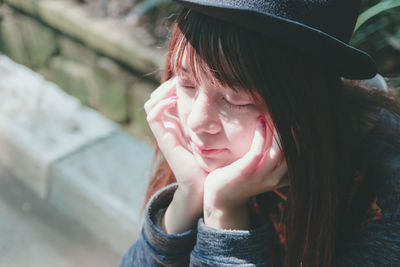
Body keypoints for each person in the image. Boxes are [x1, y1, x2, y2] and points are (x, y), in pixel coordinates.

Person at [120, 0, 400, 266]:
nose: (196, 122)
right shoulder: (204, 156)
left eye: (236, 100)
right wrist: (188, 197)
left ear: (305, 103)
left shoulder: (384, 201)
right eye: (186, 84)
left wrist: (223, 214)